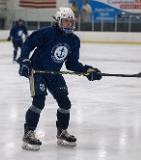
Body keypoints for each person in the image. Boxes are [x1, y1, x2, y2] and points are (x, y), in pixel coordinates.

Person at [17, 7, 102, 151]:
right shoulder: (47, 32)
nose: (68, 24)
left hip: (55, 74)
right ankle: (29, 132)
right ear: (58, 21)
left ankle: (62, 131)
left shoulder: (74, 40)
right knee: (38, 102)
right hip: (37, 72)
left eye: (70, 21)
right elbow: (28, 43)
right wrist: (25, 60)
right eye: (65, 21)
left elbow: (71, 64)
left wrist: (87, 70)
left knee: (65, 103)